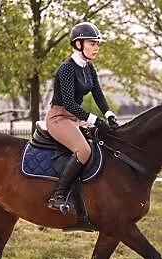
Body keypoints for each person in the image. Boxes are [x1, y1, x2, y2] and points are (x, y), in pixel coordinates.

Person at [46, 21, 118, 212]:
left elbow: (98, 94)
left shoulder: (88, 67)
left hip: (74, 118)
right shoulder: (67, 68)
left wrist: (109, 114)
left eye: (97, 44)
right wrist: (95, 120)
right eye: (92, 43)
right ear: (79, 44)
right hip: (59, 117)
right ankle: (58, 195)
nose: (96, 48)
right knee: (84, 151)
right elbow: (69, 103)